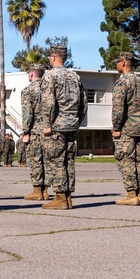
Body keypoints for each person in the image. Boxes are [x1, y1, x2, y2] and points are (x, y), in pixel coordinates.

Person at [40, 45, 87, 210]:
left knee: (56, 161)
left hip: (57, 125)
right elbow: (83, 103)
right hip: (72, 124)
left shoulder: (50, 76)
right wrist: (77, 121)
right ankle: (67, 197)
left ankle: (60, 197)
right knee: (69, 161)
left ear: (53, 57)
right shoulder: (75, 76)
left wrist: (47, 124)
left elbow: (48, 103)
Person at [111, 51, 140, 206]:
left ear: (123, 63)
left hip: (126, 130)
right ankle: (139, 194)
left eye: (117, 62)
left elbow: (118, 109)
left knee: (126, 161)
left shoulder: (122, 83)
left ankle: (131, 195)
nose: (116, 65)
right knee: (137, 162)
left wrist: (116, 127)